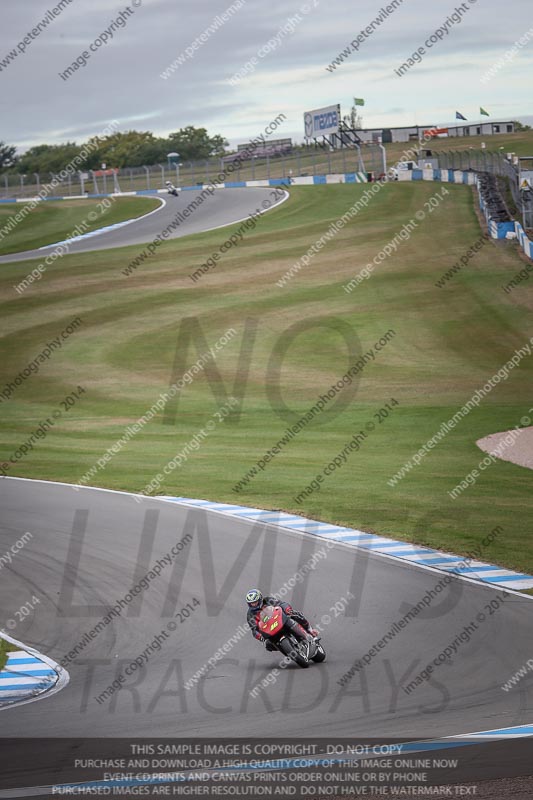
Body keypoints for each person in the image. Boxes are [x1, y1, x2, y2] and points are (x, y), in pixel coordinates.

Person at [245, 588, 318, 651]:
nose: (254, 604)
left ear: (260, 599)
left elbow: (281, 604)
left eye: (255, 602)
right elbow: (254, 630)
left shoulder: (268, 600)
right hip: (269, 629)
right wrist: (260, 637)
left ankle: (310, 631)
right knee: (268, 645)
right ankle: (288, 651)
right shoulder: (250, 615)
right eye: (251, 603)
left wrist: (287, 610)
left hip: (279, 618)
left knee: (295, 615)